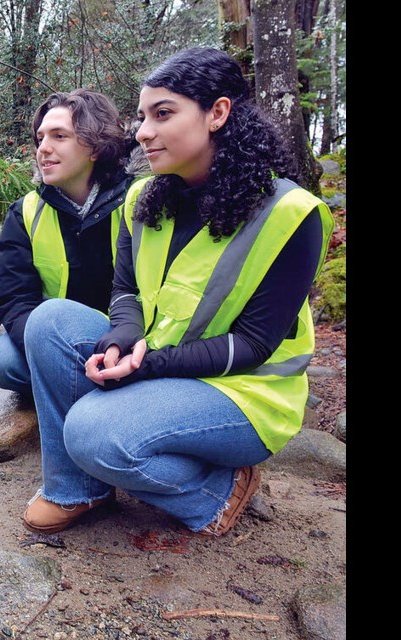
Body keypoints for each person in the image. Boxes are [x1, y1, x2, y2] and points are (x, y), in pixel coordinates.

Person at [20, 48, 333, 536]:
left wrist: (145, 366)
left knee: (91, 432)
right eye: (142, 116)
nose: (143, 132)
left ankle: (217, 491)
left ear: (218, 113)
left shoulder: (292, 214)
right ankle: (77, 489)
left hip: (244, 393)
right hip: (164, 360)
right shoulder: (143, 199)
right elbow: (126, 292)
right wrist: (119, 340)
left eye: (162, 114)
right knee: (49, 321)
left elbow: (255, 345)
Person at [0, 89, 140, 396]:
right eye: (41, 138)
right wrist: (53, 349)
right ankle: (97, 384)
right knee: (0, 362)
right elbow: (14, 300)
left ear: (95, 147)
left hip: (125, 335)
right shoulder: (25, 212)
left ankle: (95, 386)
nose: (44, 148)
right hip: (53, 334)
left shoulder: (137, 201)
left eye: (59, 136)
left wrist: (119, 343)